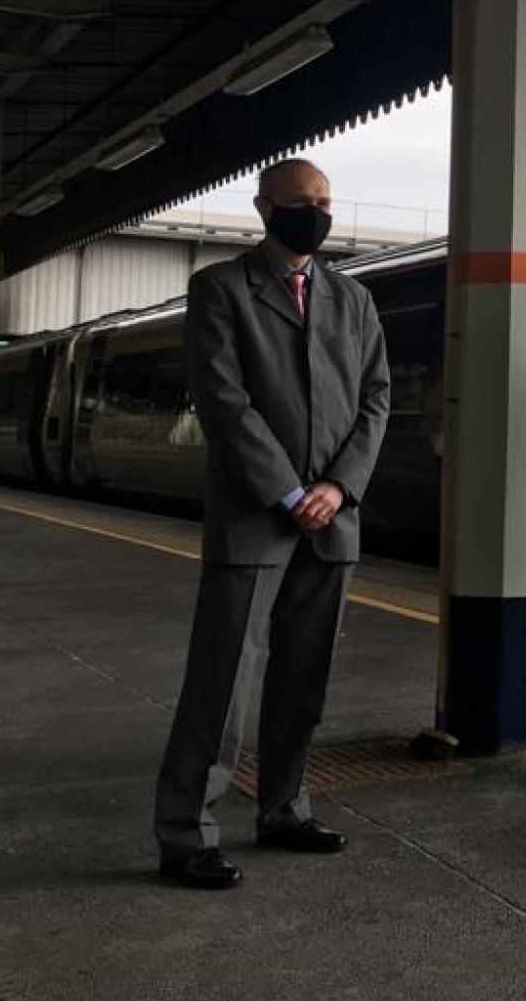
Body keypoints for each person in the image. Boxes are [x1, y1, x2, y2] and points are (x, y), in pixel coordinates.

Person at [153, 158, 391, 888]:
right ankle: (187, 832)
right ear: (263, 207)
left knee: (303, 678)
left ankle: (285, 806)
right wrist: (290, 491)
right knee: (222, 680)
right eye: (299, 202)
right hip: (258, 519)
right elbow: (223, 402)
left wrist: (338, 488)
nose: (315, 214)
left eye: (324, 202)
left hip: (331, 520)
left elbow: (376, 400)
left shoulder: (353, 300)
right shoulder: (221, 289)